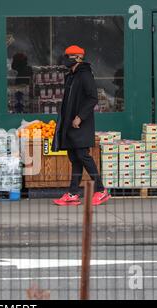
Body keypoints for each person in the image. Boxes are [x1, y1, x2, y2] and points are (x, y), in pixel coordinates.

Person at [52, 45, 110, 207]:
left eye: (69, 57)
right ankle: (72, 193)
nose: (66, 60)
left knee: (83, 156)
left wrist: (80, 117)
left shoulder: (85, 75)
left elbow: (93, 98)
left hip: (80, 124)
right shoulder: (71, 75)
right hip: (69, 124)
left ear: (78, 57)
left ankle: (100, 189)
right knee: (74, 158)